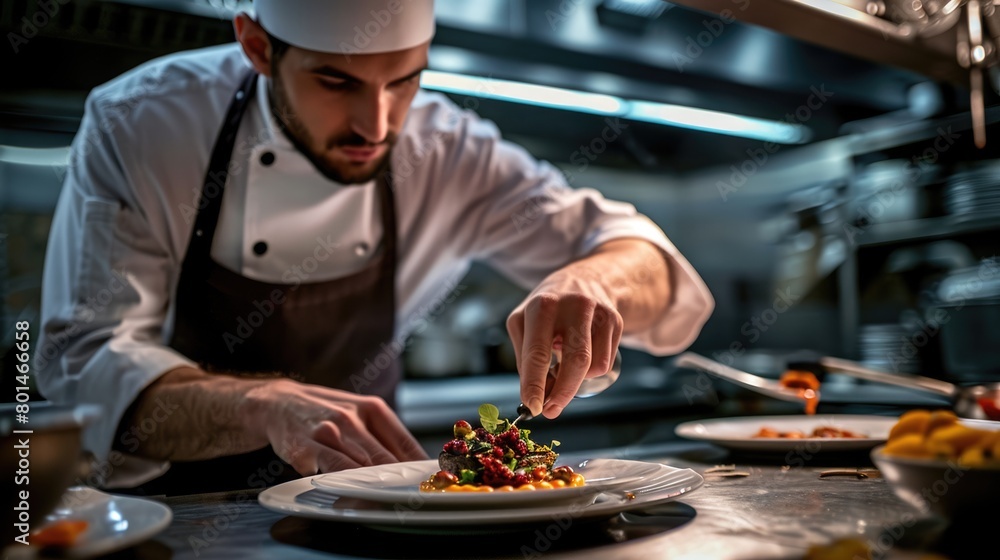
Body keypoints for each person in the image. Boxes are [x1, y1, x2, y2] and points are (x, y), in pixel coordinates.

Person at [35, 0, 714, 494]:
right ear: (258, 46)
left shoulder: (447, 149)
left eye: (405, 80)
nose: (377, 123)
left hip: (374, 513)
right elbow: (84, 363)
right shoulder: (147, 123)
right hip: (177, 521)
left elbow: (642, 258)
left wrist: (596, 281)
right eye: (337, 81)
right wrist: (262, 404)